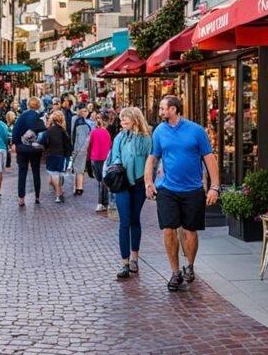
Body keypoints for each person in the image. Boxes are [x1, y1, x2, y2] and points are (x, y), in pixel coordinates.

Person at [145, 95, 219, 291]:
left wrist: (214, 186)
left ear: (174, 109)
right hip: (167, 188)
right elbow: (152, 158)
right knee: (168, 229)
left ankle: (190, 265)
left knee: (189, 231)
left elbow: (209, 158)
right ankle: (175, 272)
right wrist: (148, 182)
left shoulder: (196, 131)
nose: (160, 112)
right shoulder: (159, 131)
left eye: (163, 108)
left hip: (193, 189)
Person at [108, 107, 152, 279]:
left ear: (135, 119)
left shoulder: (146, 138)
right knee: (124, 221)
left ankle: (135, 258)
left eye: (125, 119)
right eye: (121, 119)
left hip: (140, 183)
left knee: (135, 219)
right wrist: (119, 166)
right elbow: (115, 156)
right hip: (123, 183)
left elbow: (150, 159)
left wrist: (149, 182)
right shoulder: (120, 137)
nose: (122, 122)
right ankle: (125, 262)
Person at [12, 96, 46, 206]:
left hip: (22, 148)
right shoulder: (40, 117)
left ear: (28, 105)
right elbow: (43, 133)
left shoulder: (22, 117)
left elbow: (15, 132)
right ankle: (37, 196)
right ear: (38, 105)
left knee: (22, 172)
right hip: (35, 149)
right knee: (36, 172)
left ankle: (21, 197)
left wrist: (16, 144)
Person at [42, 111, 72, 204]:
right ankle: (59, 193)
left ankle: (58, 194)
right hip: (61, 155)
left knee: (54, 175)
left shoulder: (49, 130)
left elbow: (43, 142)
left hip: (51, 154)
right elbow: (68, 145)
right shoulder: (63, 131)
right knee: (58, 174)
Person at [87, 111, 113, 213]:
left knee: (100, 182)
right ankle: (104, 202)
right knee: (103, 181)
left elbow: (89, 146)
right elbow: (110, 146)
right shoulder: (106, 132)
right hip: (103, 158)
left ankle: (102, 202)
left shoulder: (94, 132)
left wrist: (88, 158)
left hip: (96, 158)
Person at [69, 106, 93, 197]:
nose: (86, 113)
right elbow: (81, 140)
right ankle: (79, 188)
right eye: (84, 111)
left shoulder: (75, 119)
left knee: (77, 169)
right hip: (80, 149)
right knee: (79, 169)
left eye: (86, 111)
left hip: (77, 148)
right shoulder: (81, 122)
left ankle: (77, 187)